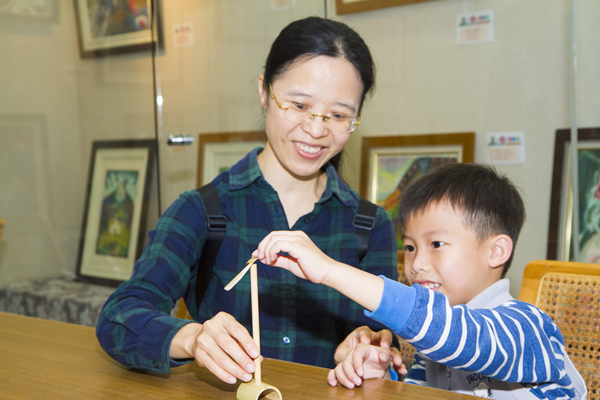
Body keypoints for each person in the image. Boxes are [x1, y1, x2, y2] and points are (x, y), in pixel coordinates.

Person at [96, 16, 398, 385]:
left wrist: (371, 348)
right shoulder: (203, 211)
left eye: (339, 115)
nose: (317, 130)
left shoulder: (369, 226)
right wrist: (193, 338)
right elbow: (119, 318)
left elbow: (382, 337)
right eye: (299, 105)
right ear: (263, 91)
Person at [254, 163, 588, 399]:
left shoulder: (526, 328)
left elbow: (454, 333)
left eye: (436, 244)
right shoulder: (431, 356)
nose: (416, 263)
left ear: (496, 251)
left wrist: (330, 271)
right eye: (410, 247)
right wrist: (379, 376)